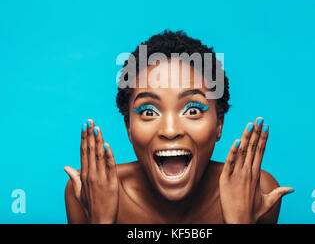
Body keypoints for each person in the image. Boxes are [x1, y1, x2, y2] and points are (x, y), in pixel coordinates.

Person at [64, 30, 294, 224]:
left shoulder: (255, 190)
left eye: (192, 110)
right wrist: (101, 220)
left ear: (219, 123)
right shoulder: (90, 191)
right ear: (129, 127)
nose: (171, 130)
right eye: (148, 112)